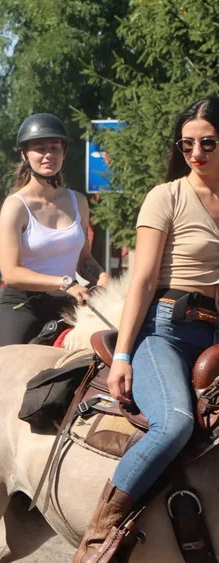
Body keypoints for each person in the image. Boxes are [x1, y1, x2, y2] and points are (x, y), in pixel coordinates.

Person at [74, 98, 219, 561]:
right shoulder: (167, 196)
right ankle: (101, 533)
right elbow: (140, 280)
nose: (196, 152)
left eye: (208, 142)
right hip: (166, 334)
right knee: (174, 423)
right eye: (188, 143)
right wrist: (123, 355)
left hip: (216, 337)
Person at [0, 113, 109, 347]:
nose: (48, 155)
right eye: (40, 148)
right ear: (24, 154)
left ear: (63, 152)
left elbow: (84, 260)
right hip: (23, 305)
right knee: (11, 372)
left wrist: (102, 276)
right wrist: (65, 283)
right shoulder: (15, 206)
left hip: (70, 304)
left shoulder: (79, 202)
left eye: (55, 148)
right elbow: (11, 272)